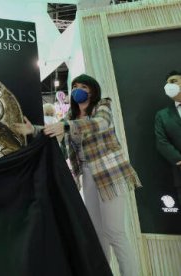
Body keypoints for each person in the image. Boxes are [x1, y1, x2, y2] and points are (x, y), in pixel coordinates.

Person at [15, 74, 141, 276]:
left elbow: (100, 123)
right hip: (88, 176)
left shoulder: (103, 105)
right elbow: (54, 130)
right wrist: (34, 130)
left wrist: (66, 126)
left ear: (92, 89)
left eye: (83, 86)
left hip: (110, 174)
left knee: (115, 232)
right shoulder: (71, 117)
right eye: (74, 86)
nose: (77, 90)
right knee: (97, 233)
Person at [155, 70, 181, 205]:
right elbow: (161, 142)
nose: (169, 86)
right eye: (167, 84)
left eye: (173, 81)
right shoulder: (162, 115)